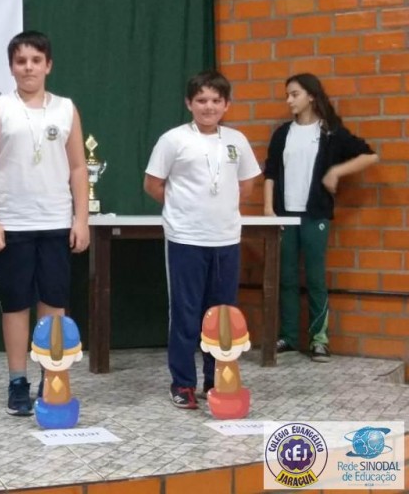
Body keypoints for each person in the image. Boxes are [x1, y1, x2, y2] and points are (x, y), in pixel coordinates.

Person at [0, 30, 89, 416]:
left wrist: (81, 219)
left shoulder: (66, 109)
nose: (28, 67)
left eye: (36, 60)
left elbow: (78, 167)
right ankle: (17, 381)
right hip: (12, 224)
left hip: (56, 222)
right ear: (11, 67)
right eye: (21, 61)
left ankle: (51, 376)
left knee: (54, 304)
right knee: (16, 305)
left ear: (48, 65)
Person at [143, 70, 260, 410]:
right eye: (201, 100)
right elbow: (153, 184)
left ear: (227, 104)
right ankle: (182, 382)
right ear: (189, 103)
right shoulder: (173, 140)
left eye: (215, 100)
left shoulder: (237, 140)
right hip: (186, 238)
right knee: (186, 312)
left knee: (222, 314)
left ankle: (217, 378)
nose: (209, 107)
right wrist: (183, 209)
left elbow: (247, 184)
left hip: (226, 239)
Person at [264, 73, 377, 363]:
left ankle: (319, 340)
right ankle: (289, 336)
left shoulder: (330, 133)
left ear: (311, 96)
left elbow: (369, 155)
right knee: (286, 277)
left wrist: (336, 172)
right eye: (287, 95)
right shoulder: (282, 134)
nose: (289, 100)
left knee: (315, 277)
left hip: (315, 215)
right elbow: (271, 173)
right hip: (284, 216)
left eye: (294, 94)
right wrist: (268, 209)